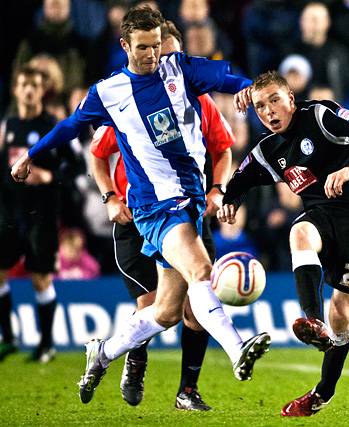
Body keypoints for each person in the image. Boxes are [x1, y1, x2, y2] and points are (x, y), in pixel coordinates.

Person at [10, 7, 270, 405]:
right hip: (153, 207)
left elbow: (224, 74)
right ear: (125, 46)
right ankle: (237, 350)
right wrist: (32, 153)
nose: (152, 55)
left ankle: (103, 353)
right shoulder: (108, 92)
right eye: (144, 47)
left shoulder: (178, 69)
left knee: (165, 312)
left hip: (190, 199)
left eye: (156, 46)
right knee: (201, 269)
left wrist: (248, 87)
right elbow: (69, 128)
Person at [218, 71, 349, 416]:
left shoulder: (319, 115)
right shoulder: (269, 149)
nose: (268, 111)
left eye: (274, 100)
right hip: (322, 217)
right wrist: (230, 200)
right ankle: (312, 321)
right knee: (299, 233)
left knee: (341, 315)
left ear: (291, 100)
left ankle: (322, 393)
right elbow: (241, 178)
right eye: (260, 106)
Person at [87, 20, 236, 410]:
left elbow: (222, 149)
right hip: (137, 216)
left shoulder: (200, 102)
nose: (159, 62)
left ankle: (187, 390)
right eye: (152, 52)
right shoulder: (124, 100)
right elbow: (97, 155)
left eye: (167, 55)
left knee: (188, 309)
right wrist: (109, 198)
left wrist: (218, 189)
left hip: (186, 209)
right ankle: (130, 361)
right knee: (153, 303)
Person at [0, 65, 70, 363]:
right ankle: (9, 337)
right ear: (16, 90)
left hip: (42, 213)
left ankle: (46, 344)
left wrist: (49, 177)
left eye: (34, 85)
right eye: (23, 84)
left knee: (40, 278)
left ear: (43, 91)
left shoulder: (54, 127)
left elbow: (76, 168)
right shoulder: (8, 126)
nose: (28, 90)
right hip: (11, 213)